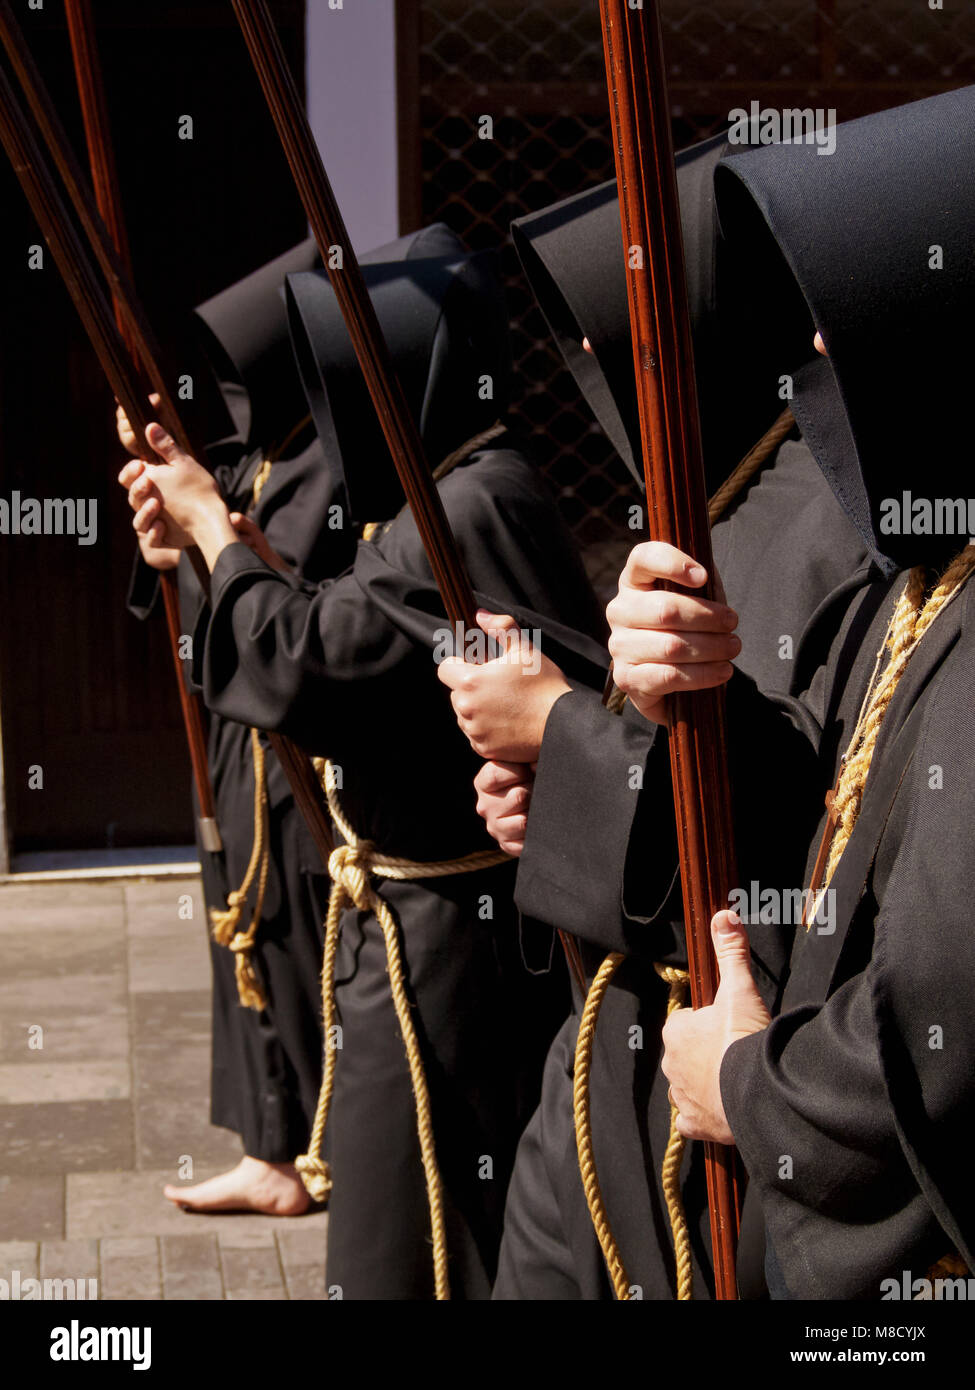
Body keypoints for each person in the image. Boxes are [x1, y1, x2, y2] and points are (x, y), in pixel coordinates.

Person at [118, 225, 609, 1299]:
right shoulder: (446, 492)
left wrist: (213, 527)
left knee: (420, 1233)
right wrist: (216, 547)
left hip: (459, 949)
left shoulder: (472, 504)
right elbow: (321, 619)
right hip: (421, 931)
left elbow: (304, 658)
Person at [438, 131, 870, 1297]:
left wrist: (563, 729)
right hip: (611, 1062)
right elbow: (673, 777)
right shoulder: (738, 501)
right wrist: (563, 788)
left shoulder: (838, 528)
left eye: (612, 335)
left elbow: (807, 822)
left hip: (717, 1077)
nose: (592, 364)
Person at [612, 86, 975, 1298]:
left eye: (847, 299)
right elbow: (841, 811)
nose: (818, 345)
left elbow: (946, 1034)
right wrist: (687, 695)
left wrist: (749, 1084)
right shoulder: (934, 570)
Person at [122, 239, 346, 1215]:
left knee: (298, 942)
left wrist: (209, 532)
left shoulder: (334, 472)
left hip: (294, 749)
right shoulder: (251, 463)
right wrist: (167, 543)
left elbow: (289, 607)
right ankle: (269, 1146)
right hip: (234, 740)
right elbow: (210, 586)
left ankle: (323, 1139)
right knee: (237, 931)